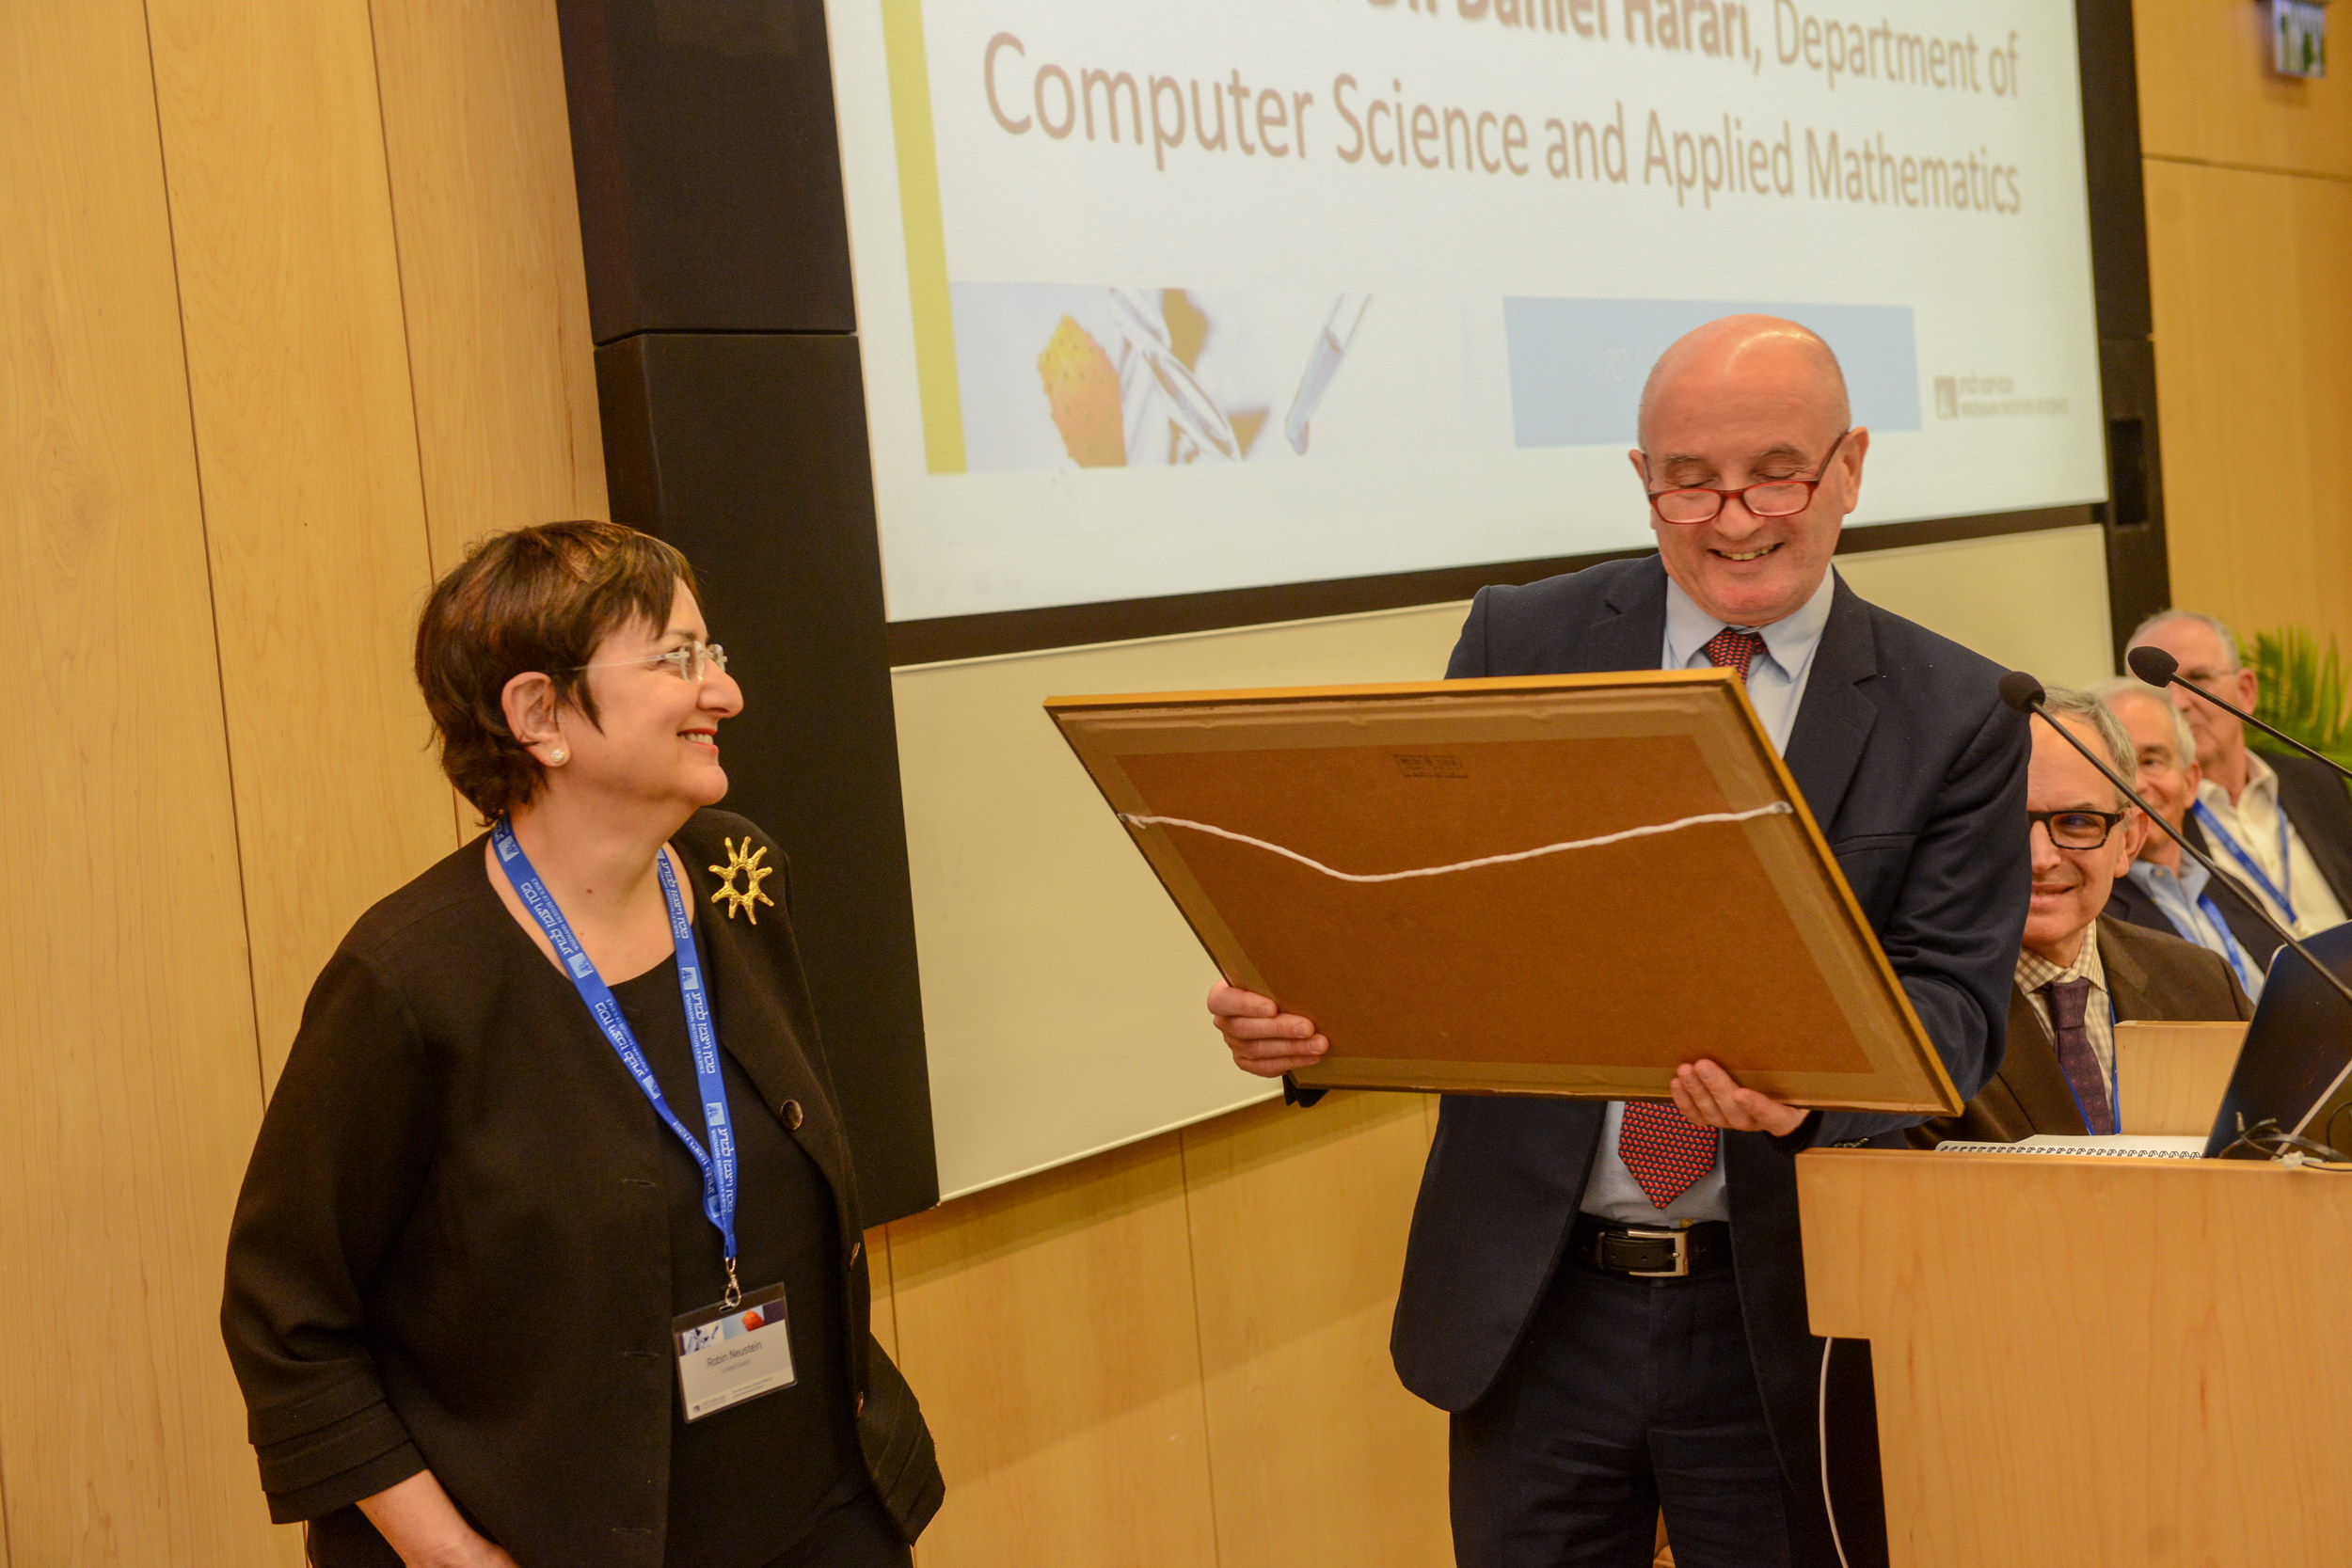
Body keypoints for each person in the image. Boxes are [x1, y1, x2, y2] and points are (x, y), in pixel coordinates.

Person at [1209, 316, 2028, 1568]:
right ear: (1641, 477)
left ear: (1850, 468)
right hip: (1539, 1313)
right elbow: (1434, 915)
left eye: (1775, 474)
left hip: (1785, 1316)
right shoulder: (1520, 643)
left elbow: (1957, 1013)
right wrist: (1313, 1016)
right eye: (1688, 480)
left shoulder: (1957, 708)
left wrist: (1814, 1090)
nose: (1733, 517)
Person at [221, 522, 941, 1568]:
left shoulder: (738, 876)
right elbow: (288, 1320)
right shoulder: (409, 980)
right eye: (676, 659)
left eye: (712, 653)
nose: (725, 692)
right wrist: (450, 1555)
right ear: (540, 714)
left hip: (822, 1517)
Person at [1913, 689, 2251, 1147]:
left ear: (2128, 842)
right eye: (2008, 821)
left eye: (2076, 822)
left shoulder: (2204, 986)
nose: (2040, 858)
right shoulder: (1910, 1011)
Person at [2130, 610, 2352, 937]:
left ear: (2246, 691)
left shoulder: (2317, 780)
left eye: (2197, 678)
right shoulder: (2152, 820)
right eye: (2160, 691)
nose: (2179, 703)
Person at [2094, 676, 2280, 995]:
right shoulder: (2094, 914)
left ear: (2190, 782)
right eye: (2116, 767)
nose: (2136, 785)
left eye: (2151, 761)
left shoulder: (2230, 887)